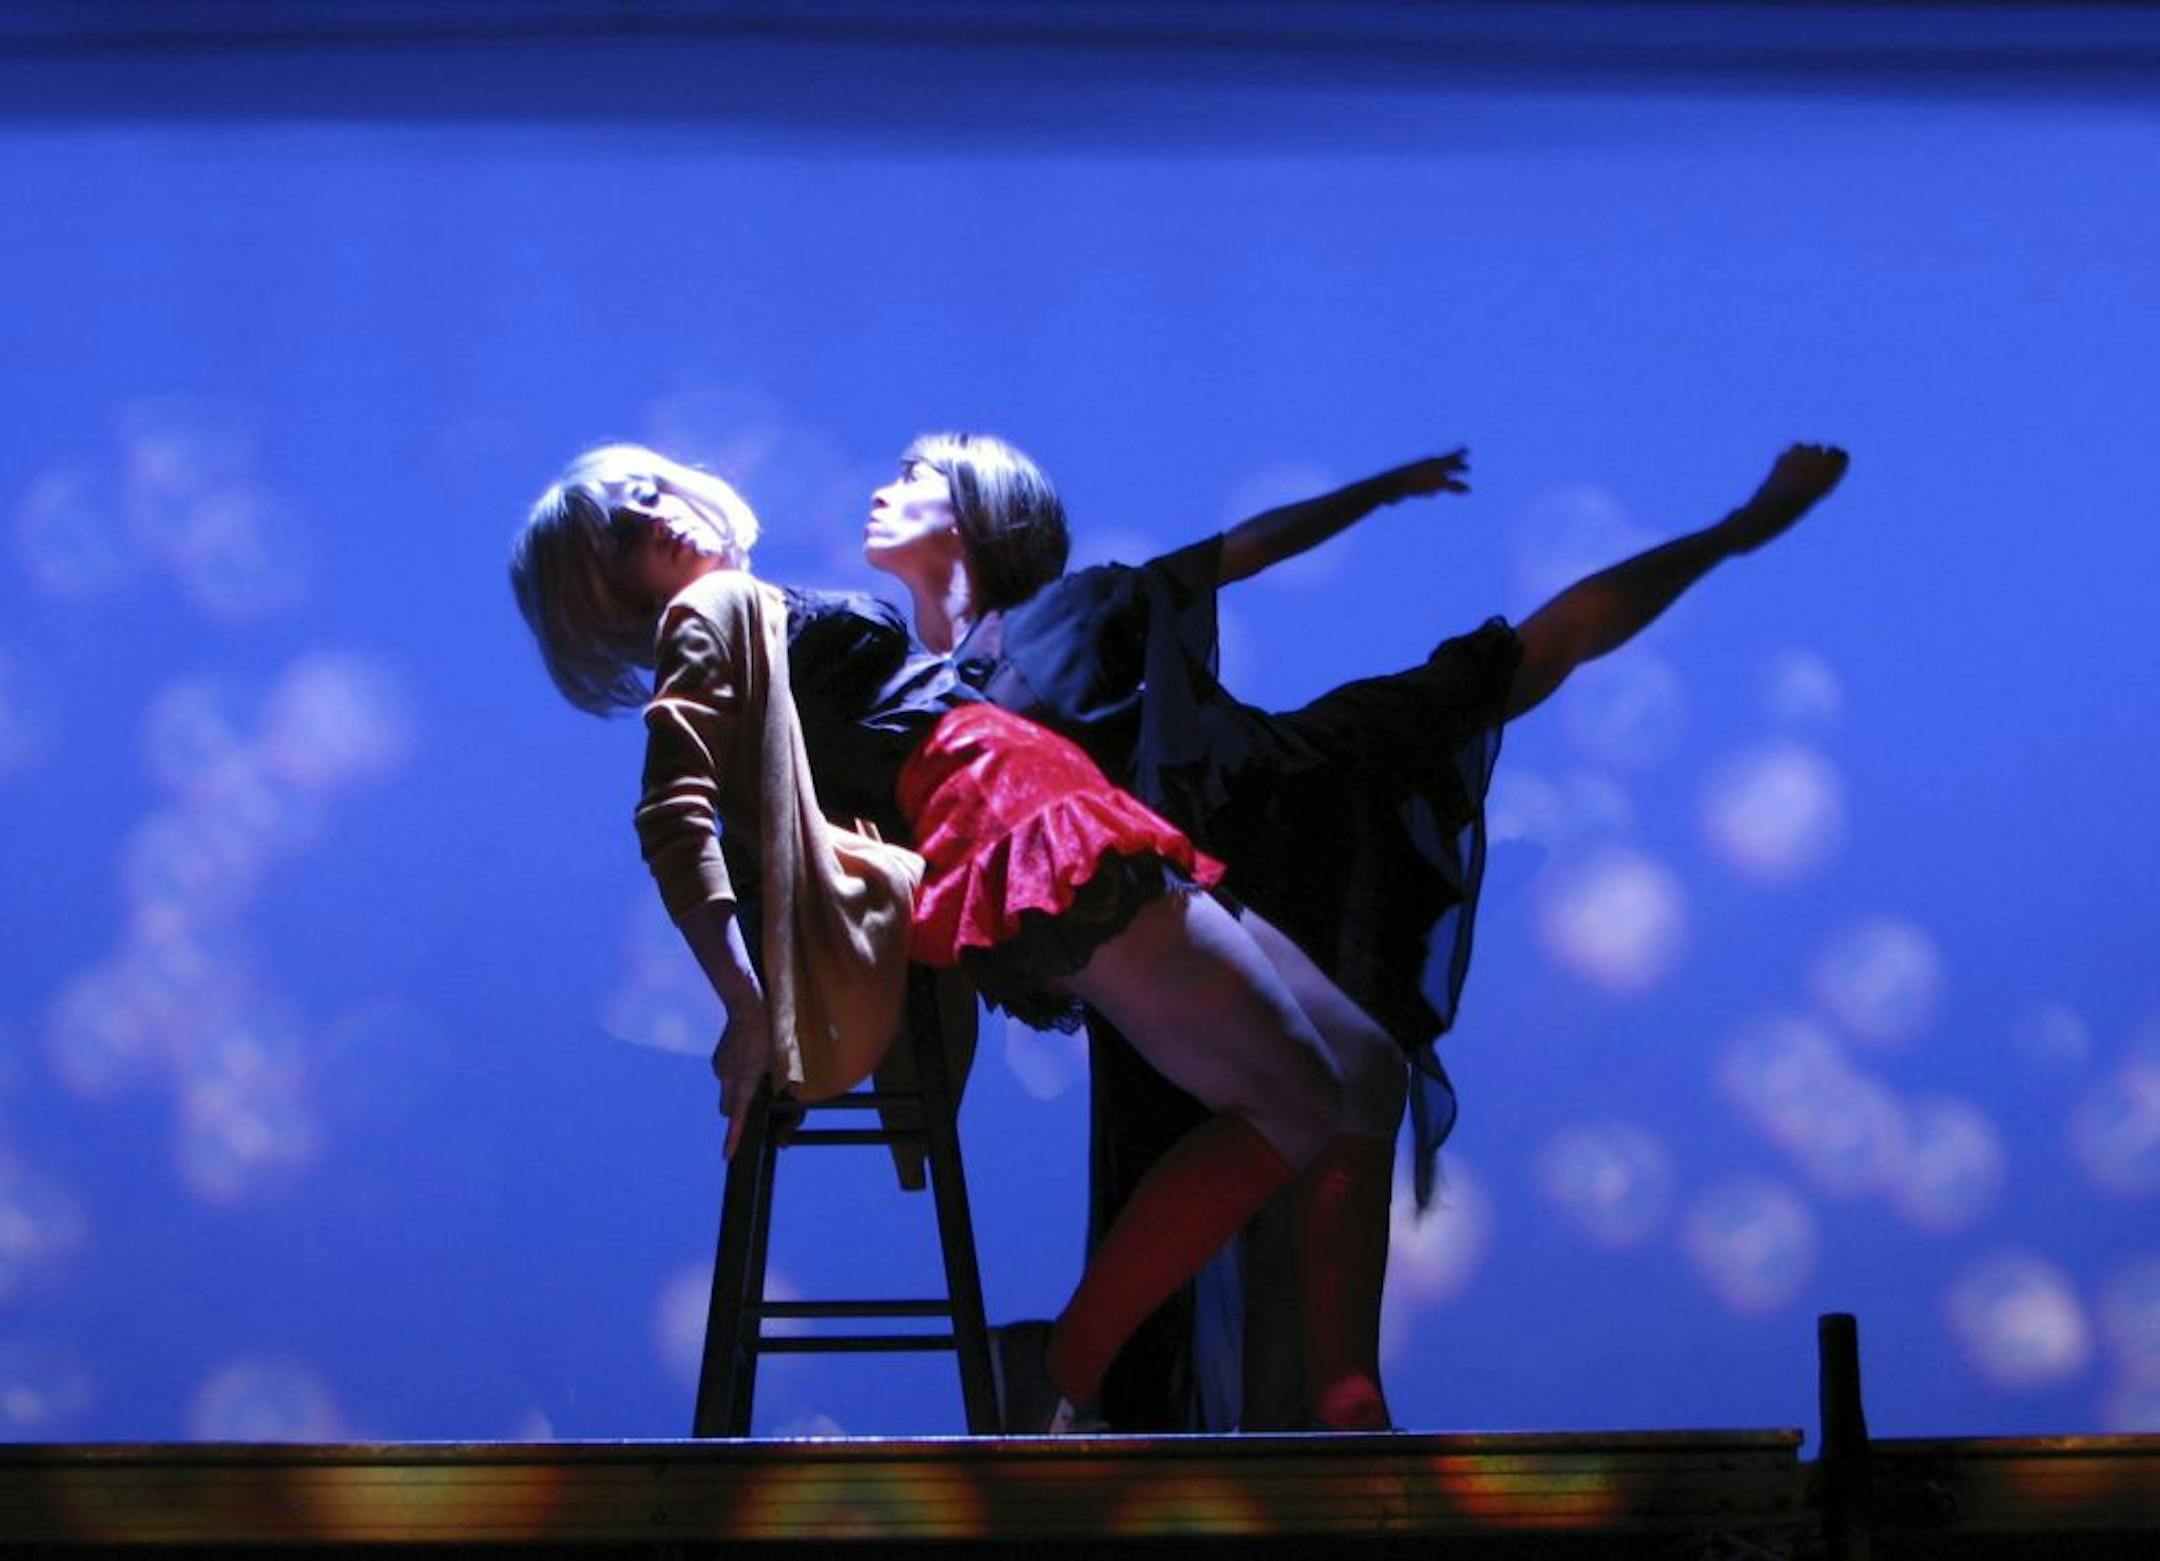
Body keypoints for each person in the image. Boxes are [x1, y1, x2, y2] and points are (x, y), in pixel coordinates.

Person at [864, 434, 1851, 1429]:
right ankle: (1213, 1383)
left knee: (1501, 671)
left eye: (915, 475)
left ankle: (1328, 1394)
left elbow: (1241, 549)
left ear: (983, 512)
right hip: (1129, 925)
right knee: (1340, 1086)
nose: (884, 486)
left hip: (1253, 818)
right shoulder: (914, 682)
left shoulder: (1077, 608)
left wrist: (1373, 494)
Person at [509, 442, 1448, 1432]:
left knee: (1353, 1063)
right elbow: (673, 815)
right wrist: (743, 998)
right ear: (599, 592)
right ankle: (1063, 1365)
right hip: (1012, 814)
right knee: (1297, 1097)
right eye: (619, 527)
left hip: (1029, 799)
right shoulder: (710, 614)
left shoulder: (747, 611)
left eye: (650, 488)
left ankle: (1339, 1398)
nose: (653, 513)